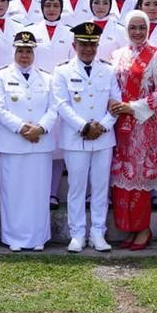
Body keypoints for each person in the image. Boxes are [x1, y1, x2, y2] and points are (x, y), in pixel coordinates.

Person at [53, 22, 122, 253]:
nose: (88, 49)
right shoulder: (62, 71)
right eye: (83, 44)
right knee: (77, 188)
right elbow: (62, 104)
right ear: (74, 45)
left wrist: (101, 126)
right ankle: (77, 234)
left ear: (98, 45)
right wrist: (84, 127)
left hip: (103, 138)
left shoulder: (109, 70)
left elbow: (116, 103)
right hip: (75, 138)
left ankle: (98, 233)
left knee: (101, 188)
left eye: (92, 44)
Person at [0, 31, 57, 251]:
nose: (24, 55)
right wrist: (22, 128)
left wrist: (40, 128)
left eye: (28, 51)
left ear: (34, 52)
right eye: (20, 51)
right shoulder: (1, 76)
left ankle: (38, 238)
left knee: (38, 193)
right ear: (14, 51)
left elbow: (54, 108)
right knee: (13, 193)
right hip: (13, 143)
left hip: (40, 143)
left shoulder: (47, 78)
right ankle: (13, 238)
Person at [109, 10, 157, 250]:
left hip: (144, 128)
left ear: (147, 29)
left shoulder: (155, 55)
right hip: (120, 127)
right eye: (133, 28)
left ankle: (144, 229)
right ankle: (130, 229)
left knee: (140, 178)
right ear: (126, 29)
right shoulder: (117, 55)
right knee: (123, 178)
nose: (137, 32)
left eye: (141, 28)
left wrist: (133, 107)